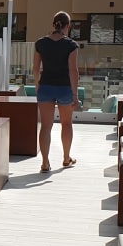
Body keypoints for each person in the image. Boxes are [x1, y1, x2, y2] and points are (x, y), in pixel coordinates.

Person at [34, 11, 80, 173]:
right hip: (64, 88)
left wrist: (37, 85)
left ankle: (45, 163)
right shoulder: (71, 45)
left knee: (46, 126)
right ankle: (66, 158)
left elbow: (35, 69)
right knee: (66, 124)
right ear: (68, 26)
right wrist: (75, 94)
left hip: (45, 86)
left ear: (53, 25)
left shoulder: (40, 43)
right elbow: (73, 71)